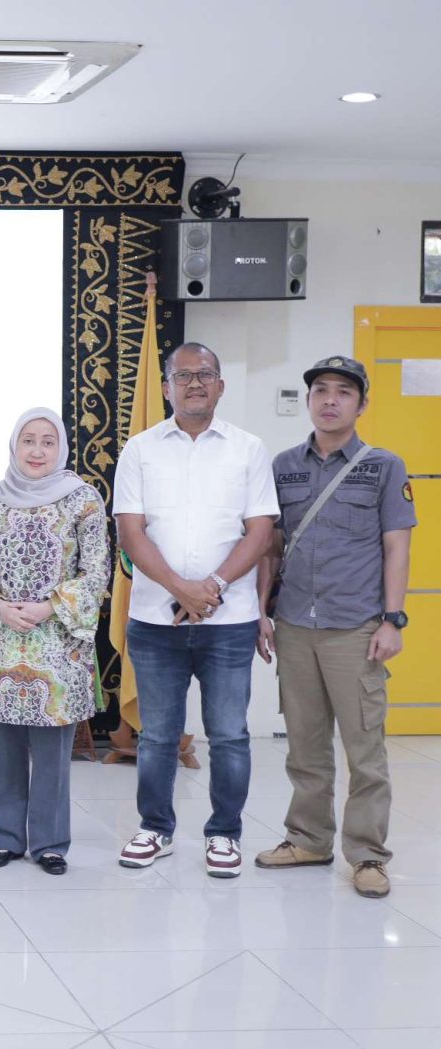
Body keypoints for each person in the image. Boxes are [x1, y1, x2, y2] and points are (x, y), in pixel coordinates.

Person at [113, 343, 278, 878]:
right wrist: (180, 588)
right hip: (155, 620)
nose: (194, 383)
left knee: (228, 734)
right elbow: (131, 531)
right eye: (183, 376)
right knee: (158, 735)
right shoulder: (139, 449)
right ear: (166, 387)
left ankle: (224, 834)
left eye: (205, 374)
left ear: (221, 385)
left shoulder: (249, 449)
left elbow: (261, 531)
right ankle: (155, 829)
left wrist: (213, 586)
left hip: (228, 622)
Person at [255, 356, 416, 899]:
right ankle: (308, 839)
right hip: (295, 624)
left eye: (343, 392)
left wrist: (392, 619)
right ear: (308, 400)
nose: (330, 400)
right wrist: (262, 611)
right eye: (320, 390)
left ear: (361, 404)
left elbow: (397, 547)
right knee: (304, 747)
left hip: (356, 628)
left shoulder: (384, 466)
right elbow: (272, 545)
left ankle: (368, 855)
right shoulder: (284, 466)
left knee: (365, 752)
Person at [0, 408, 111, 876]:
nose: (38, 450)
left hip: (58, 643)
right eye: (29, 440)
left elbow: (97, 570)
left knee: (51, 752)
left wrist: (49, 607)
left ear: (61, 447)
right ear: (14, 446)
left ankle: (49, 843)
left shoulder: (83, 500)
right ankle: (6, 838)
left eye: (48, 441)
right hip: (2, 638)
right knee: (4, 746)